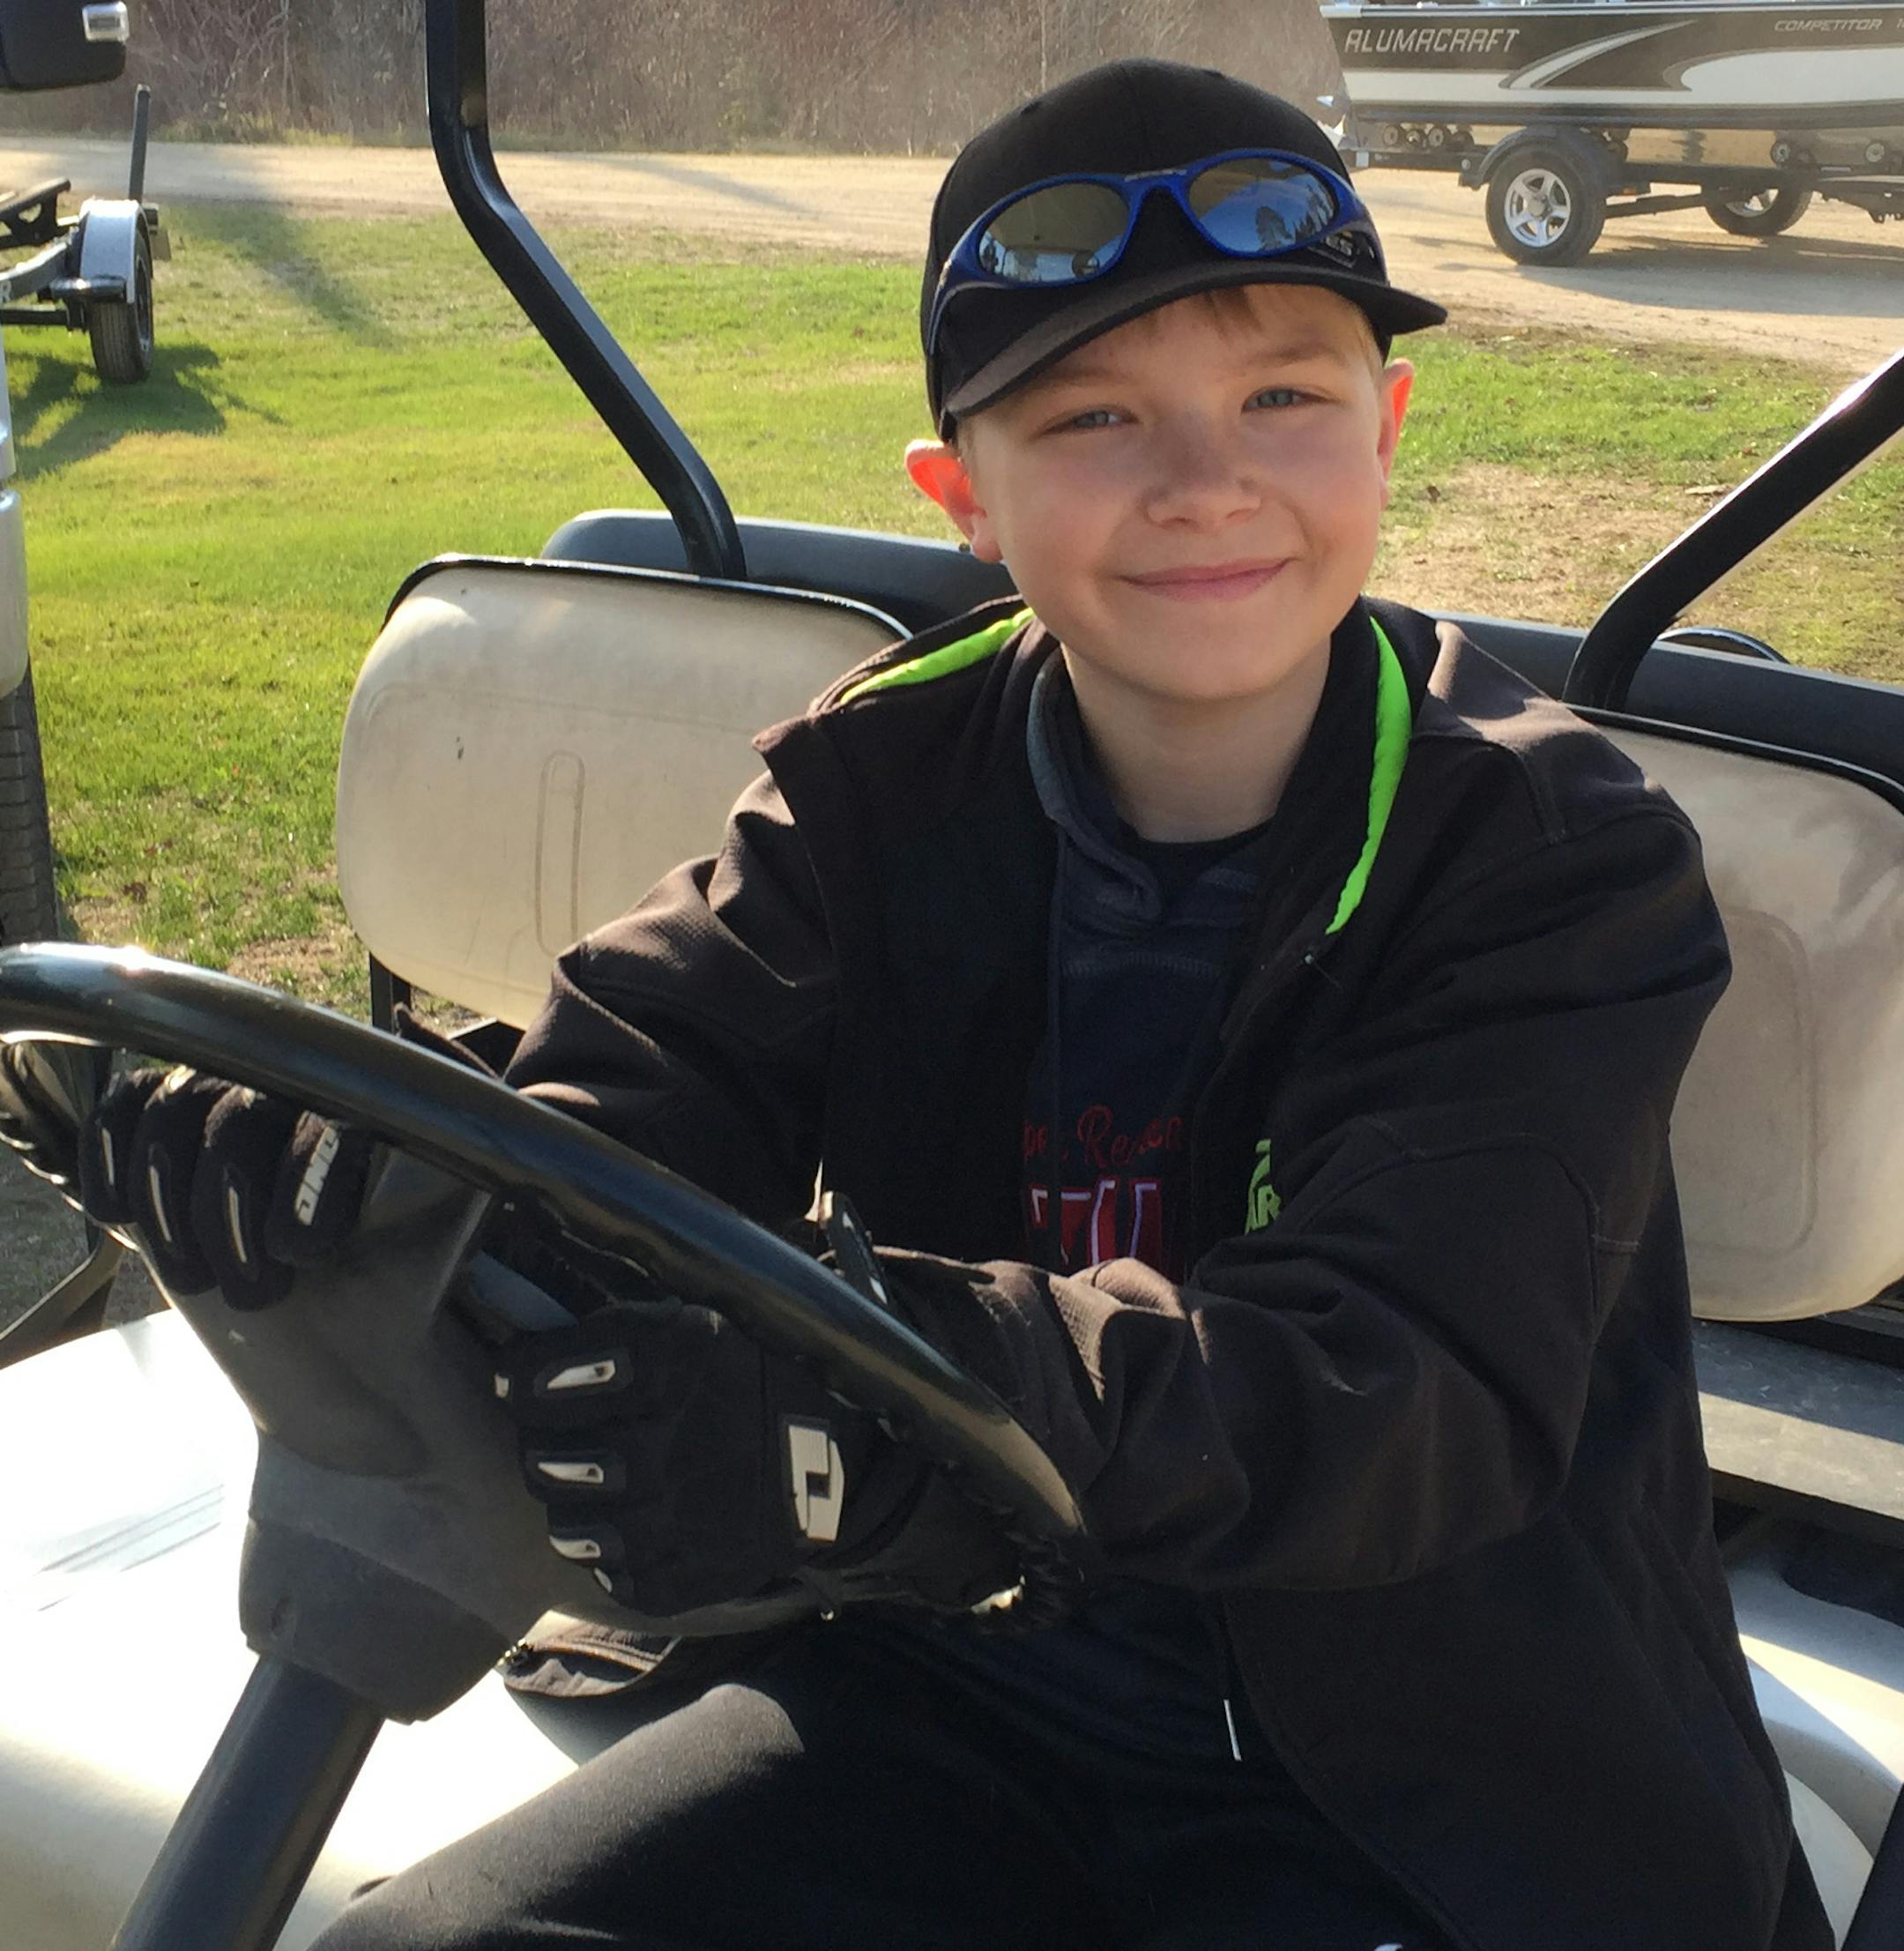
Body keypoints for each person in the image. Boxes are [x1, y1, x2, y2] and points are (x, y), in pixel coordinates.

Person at [0, 57, 1829, 1951]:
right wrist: (361, 1151)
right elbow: (634, 1104)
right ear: (964, 497)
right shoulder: (873, 787)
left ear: (1389, 428)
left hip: (1432, 1772)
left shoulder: (1545, 856)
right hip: (967, 1684)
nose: (1206, 481)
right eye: (1095, 416)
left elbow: (1391, 1385)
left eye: (1283, 396)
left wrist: (878, 1426)